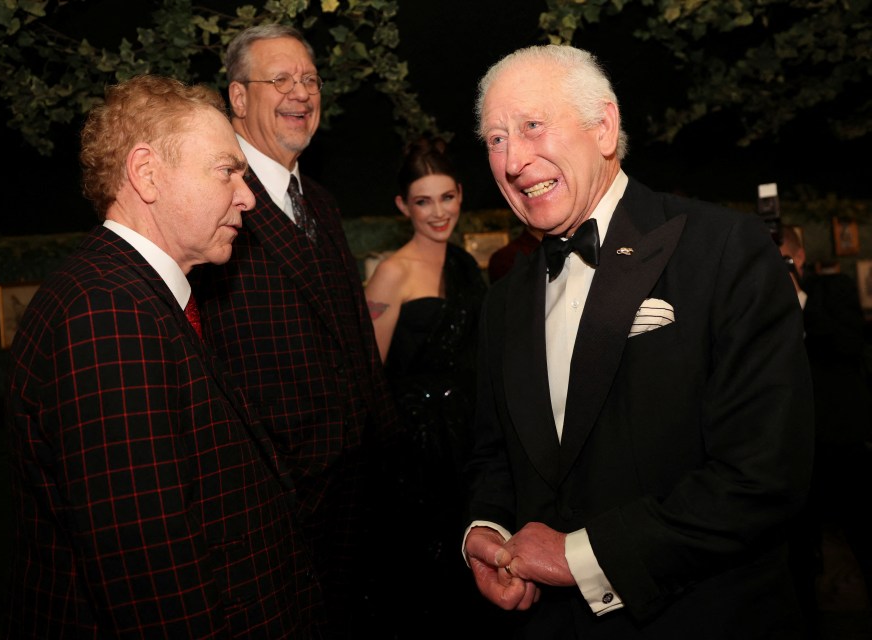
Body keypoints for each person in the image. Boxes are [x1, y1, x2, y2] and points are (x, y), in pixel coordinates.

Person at [462, 44, 815, 638]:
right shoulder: (503, 299)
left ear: (604, 127)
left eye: (531, 127)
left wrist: (580, 557)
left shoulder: (725, 250)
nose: (513, 160)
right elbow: (493, 453)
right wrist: (486, 530)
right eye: (495, 139)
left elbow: (763, 474)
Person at [4, 74, 324, 639]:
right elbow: (153, 579)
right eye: (228, 170)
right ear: (147, 173)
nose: (248, 196)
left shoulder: (136, 295)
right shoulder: (105, 314)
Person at [191, 24, 399, 638]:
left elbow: (355, 342)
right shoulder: (214, 201)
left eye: (309, 79)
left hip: (358, 496)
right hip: (272, 504)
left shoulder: (323, 206)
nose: (300, 92)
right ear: (236, 98)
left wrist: (387, 448)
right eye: (279, 79)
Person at [363, 139, 491, 636]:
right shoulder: (391, 275)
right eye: (423, 201)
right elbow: (368, 376)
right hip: (413, 450)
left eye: (446, 197)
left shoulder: (464, 265)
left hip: (468, 437)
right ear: (403, 206)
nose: (438, 212)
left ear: (460, 194)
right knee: (424, 579)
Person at [781, 225, 872, 636]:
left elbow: (848, 344)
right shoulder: (754, 297)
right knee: (798, 553)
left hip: (841, 439)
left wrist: (797, 294)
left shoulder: (830, 290)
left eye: (781, 258)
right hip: (789, 450)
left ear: (798, 258)